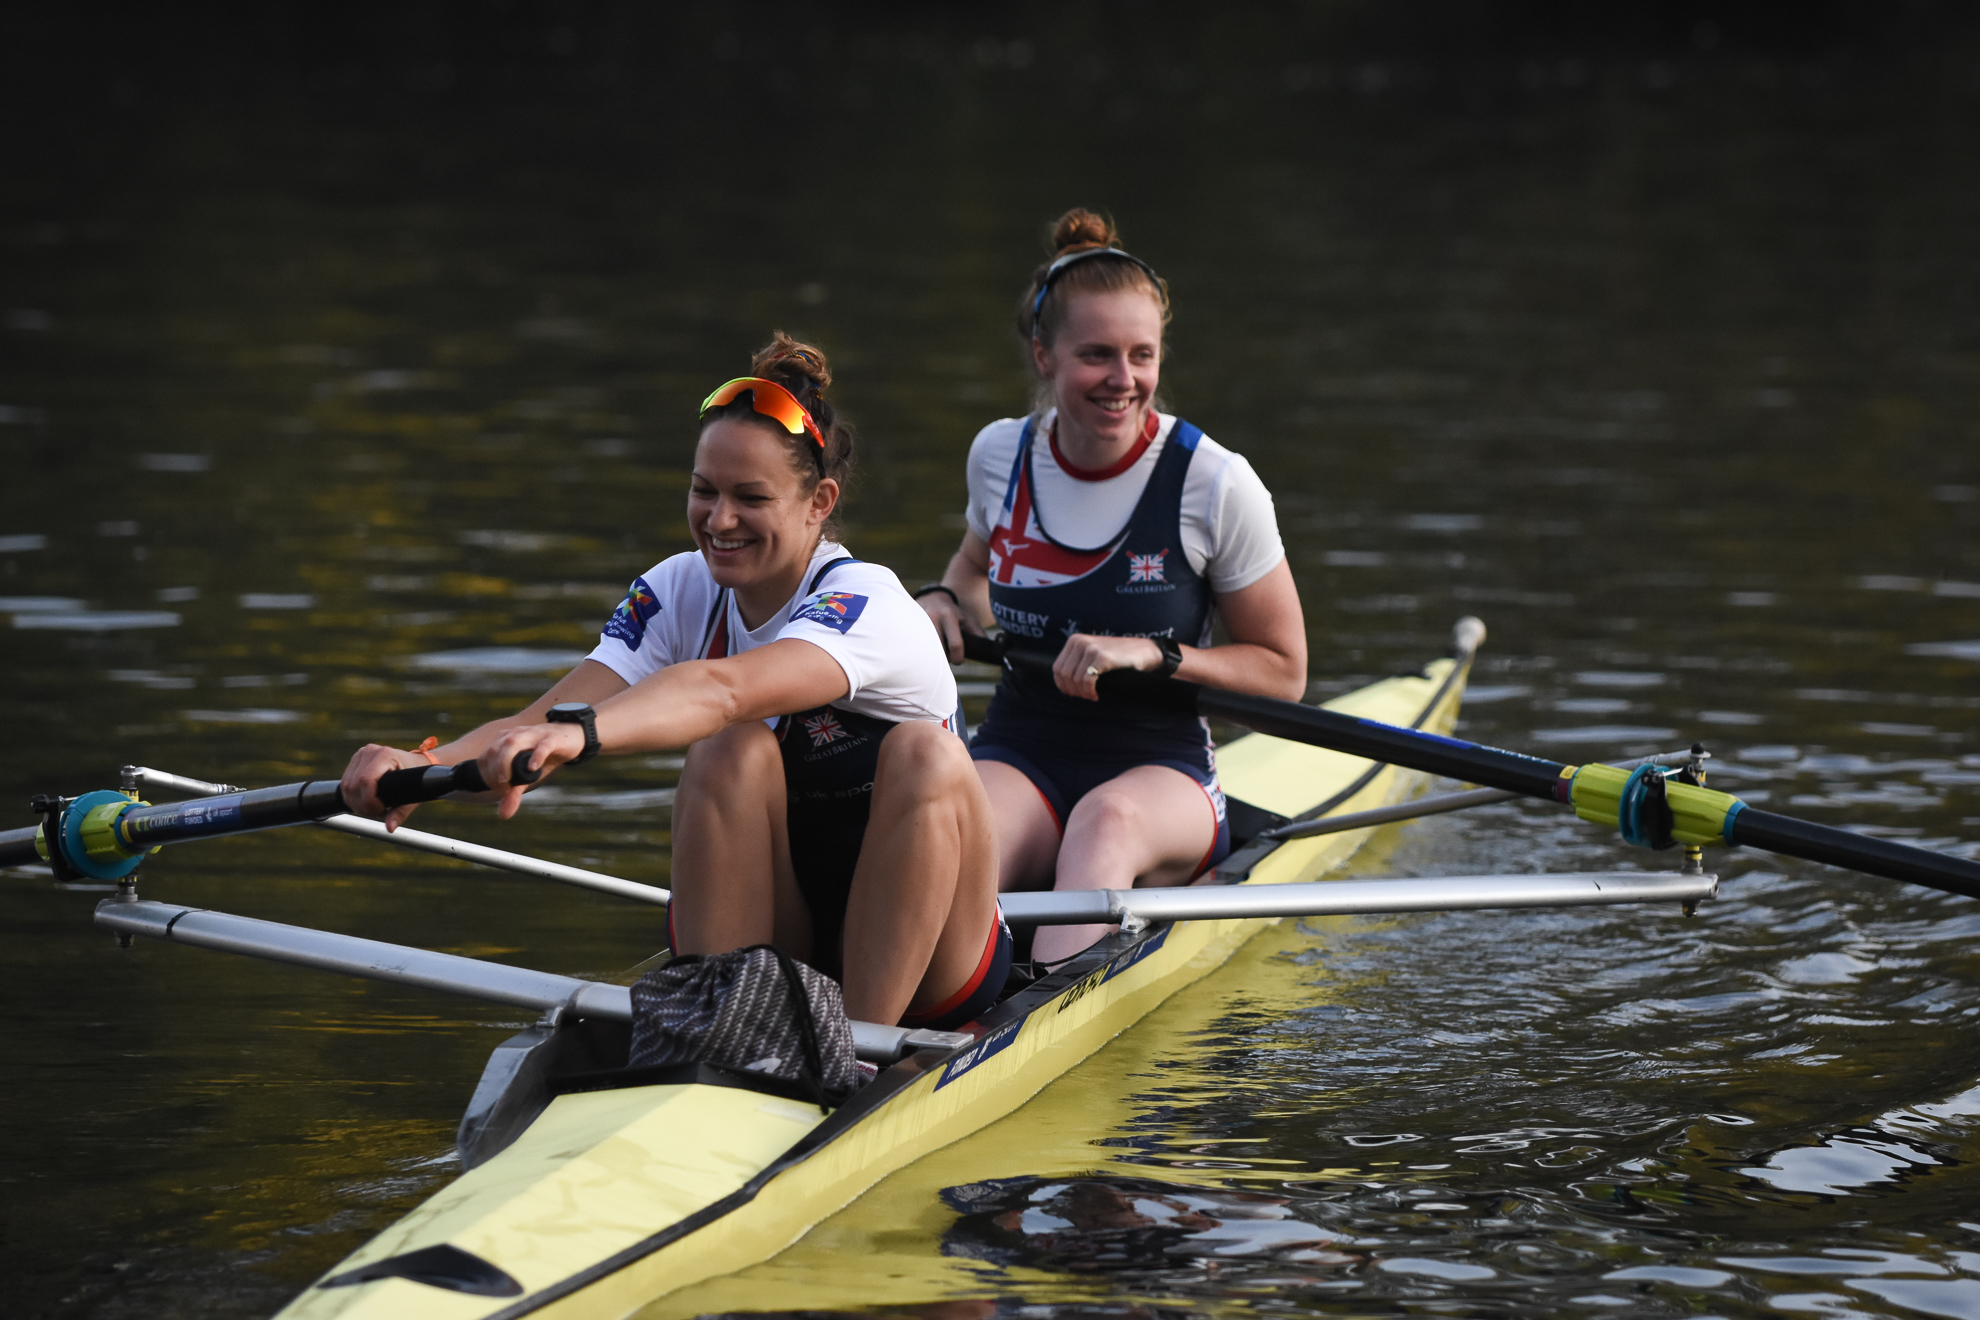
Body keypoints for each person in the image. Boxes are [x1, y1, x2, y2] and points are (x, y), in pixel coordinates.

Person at [342, 334, 1005, 1030]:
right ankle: (721, 1030)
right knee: (729, 750)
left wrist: (578, 736)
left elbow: (722, 691)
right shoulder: (678, 590)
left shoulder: (865, 601)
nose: (718, 521)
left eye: (750, 498)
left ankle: (860, 1058)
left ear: (819, 503)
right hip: (795, 927)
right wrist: (423, 766)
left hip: (938, 959)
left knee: (920, 755)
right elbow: (542, 720)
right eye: (703, 491)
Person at [917, 210, 1307, 963]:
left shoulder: (1214, 482)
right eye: (1097, 355)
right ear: (1043, 354)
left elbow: (1282, 672)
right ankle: (883, 1035)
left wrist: (1154, 655)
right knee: (947, 837)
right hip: (1020, 747)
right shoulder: (1001, 455)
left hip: (1160, 770)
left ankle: (1037, 1011)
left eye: (1142, 355)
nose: (1124, 381)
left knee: (1104, 822)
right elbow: (971, 579)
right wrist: (940, 600)